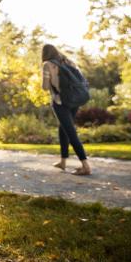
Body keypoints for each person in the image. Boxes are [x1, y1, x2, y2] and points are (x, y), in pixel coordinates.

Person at [41, 44, 92, 175]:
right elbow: (81, 79)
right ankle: (63, 162)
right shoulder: (68, 61)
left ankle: (85, 165)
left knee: (70, 131)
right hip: (74, 100)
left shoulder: (47, 65)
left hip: (60, 102)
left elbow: (45, 86)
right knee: (63, 128)